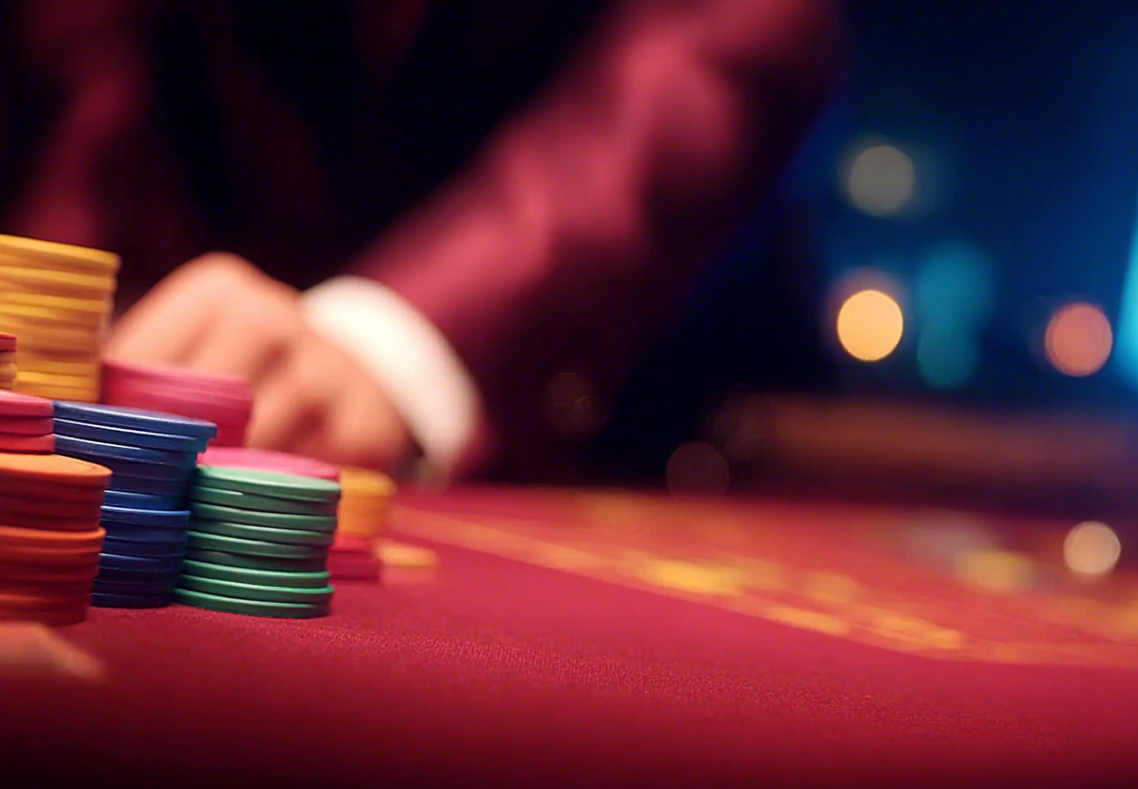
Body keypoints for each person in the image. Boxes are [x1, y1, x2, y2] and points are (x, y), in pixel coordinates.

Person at [0, 0, 841, 482]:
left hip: (599, 424)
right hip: (175, 341)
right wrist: (40, 347)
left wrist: (389, 342)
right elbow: (92, 74)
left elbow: (726, 39)